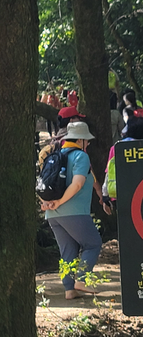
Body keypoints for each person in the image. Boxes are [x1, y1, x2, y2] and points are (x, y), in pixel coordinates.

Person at [41, 123, 105, 300]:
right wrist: (61, 201)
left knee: (68, 250)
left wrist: (48, 203)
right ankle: (82, 280)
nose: (89, 144)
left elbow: (41, 184)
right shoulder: (80, 157)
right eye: (87, 140)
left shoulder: (54, 156)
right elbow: (77, 184)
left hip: (53, 215)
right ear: (79, 140)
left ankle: (69, 290)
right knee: (93, 243)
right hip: (75, 212)